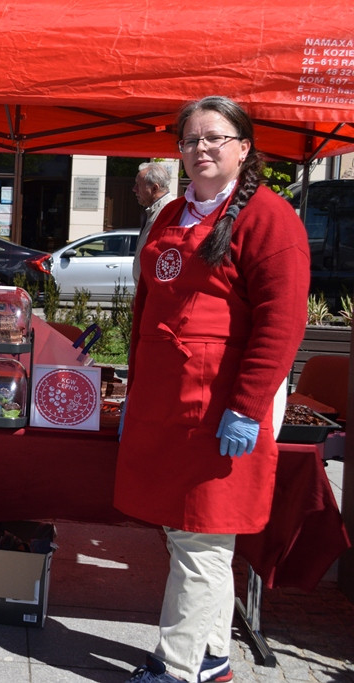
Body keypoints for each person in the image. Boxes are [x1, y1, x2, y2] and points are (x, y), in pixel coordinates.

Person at [116, 96, 310, 683]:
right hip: (166, 401)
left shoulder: (270, 219)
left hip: (222, 404)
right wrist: (136, 388)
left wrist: (248, 406)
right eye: (190, 140)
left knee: (202, 535)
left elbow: (282, 323)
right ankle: (211, 656)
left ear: (244, 148)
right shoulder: (173, 213)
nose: (201, 148)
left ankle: (179, 668)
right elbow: (147, 307)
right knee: (187, 534)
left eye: (214, 138)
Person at [131, 162, 174, 284]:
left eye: (138, 185)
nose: (134, 189)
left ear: (155, 188)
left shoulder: (168, 211)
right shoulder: (154, 210)